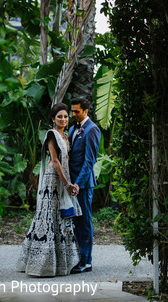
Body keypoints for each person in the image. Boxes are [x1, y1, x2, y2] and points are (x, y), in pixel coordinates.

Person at [16, 103, 81, 276]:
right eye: (59, 116)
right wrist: (67, 184)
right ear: (53, 119)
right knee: (48, 218)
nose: (63, 119)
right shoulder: (52, 135)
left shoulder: (65, 136)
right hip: (52, 181)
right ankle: (41, 264)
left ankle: (59, 264)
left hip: (62, 180)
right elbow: (54, 161)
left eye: (66, 116)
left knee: (60, 217)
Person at [68, 97, 102, 274]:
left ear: (86, 111)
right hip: (70, 183)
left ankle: (86, 261)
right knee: (74, 222)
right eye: (72, 111)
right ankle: (77, 258)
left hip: (82, 184)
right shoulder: (73, 128)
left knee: (84, 222)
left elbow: (89, 162)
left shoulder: (92, 130)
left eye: (77, 111)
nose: (73, 114)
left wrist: (78, 184)